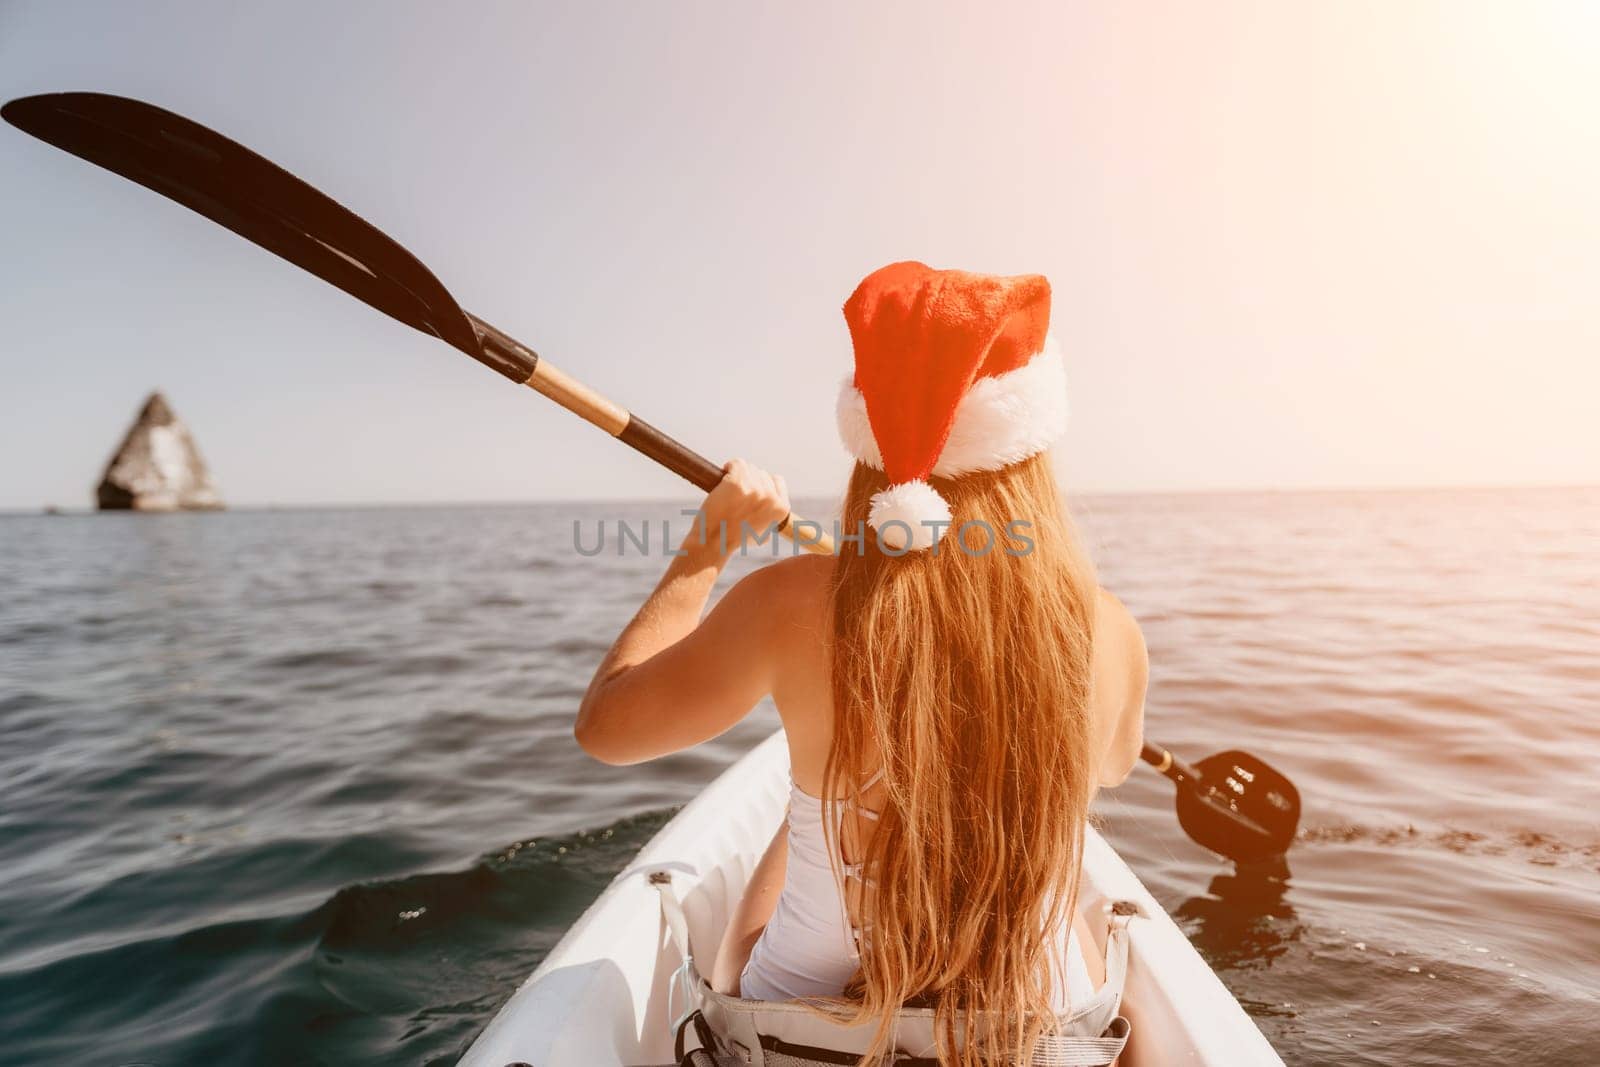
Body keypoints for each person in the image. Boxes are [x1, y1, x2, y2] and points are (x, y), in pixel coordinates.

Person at [575, 261, 1147, 1067]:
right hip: (1040, 1041)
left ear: (869, 447)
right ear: (1030, 451)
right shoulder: (1107, 629)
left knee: (796, 829)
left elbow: (606, 727)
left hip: (801, 1043)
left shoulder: (791, 602)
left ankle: (815, 806)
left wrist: (712, 543)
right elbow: (1113, 765)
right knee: (1073, 910)